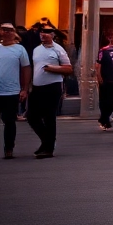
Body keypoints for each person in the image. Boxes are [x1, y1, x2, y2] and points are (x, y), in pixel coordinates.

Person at [28, 26, 72, 158]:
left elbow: (68, 69)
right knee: (31, 116)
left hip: (52, 86)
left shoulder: (58, 50)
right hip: (37, 87)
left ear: (53, 35)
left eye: (47, 33)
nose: (44, 35)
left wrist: (52, 68)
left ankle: (49, 148)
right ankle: (46, 141)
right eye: (42, 32)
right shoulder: (36, 49)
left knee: (49, 117)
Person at [0, 22, 32, 160]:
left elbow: (26, 68)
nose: (7, 32)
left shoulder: (19, 49)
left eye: (10, 30)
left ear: (15, 33)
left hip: (11, 91)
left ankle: (9, 148)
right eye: (4, 29)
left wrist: (24, 89)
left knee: (9, 121)